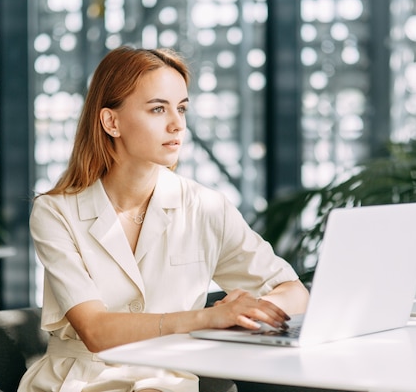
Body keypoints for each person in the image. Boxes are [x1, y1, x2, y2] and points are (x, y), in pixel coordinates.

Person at [18, 46, 310, 392]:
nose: (177, 124)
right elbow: (95, 331)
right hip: (79, 382)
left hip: (165, 382)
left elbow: (293, 293)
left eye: (182, 108)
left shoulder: (205, 207)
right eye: (158, 108)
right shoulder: (56, 212)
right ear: (111, 121)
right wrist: (206, 318)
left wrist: (248, 313)